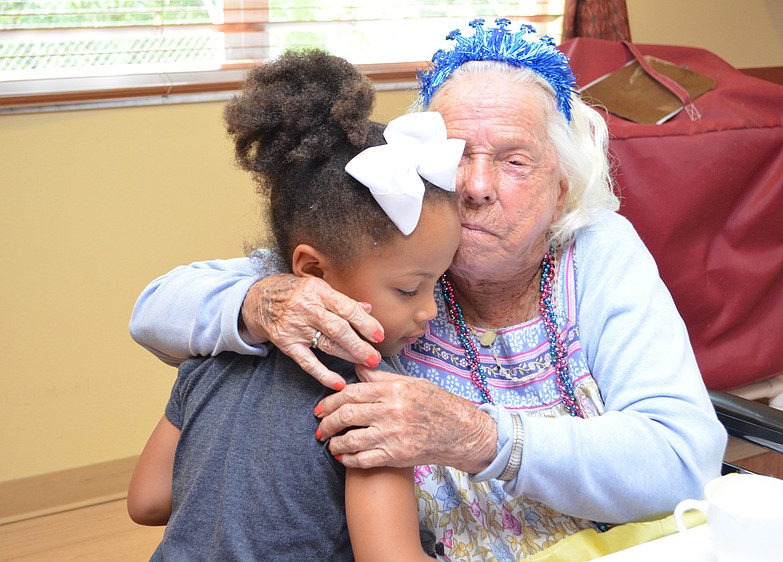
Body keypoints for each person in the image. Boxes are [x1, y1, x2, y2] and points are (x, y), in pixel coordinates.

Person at [130, 19, 728, 560]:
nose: (475, 186)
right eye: (456, 155)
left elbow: (682, 461)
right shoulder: (380, 248)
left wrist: (480, 436)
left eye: (515, 161)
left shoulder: (598, 251)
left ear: (564, 188)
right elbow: (157, 306)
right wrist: (259, 302)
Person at [126, 49, 464, 561]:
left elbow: (146, 500)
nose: (430, 310)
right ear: (311, 272)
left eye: (438, 284)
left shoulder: (207, 363)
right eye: (408, 288)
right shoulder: (368, 404)